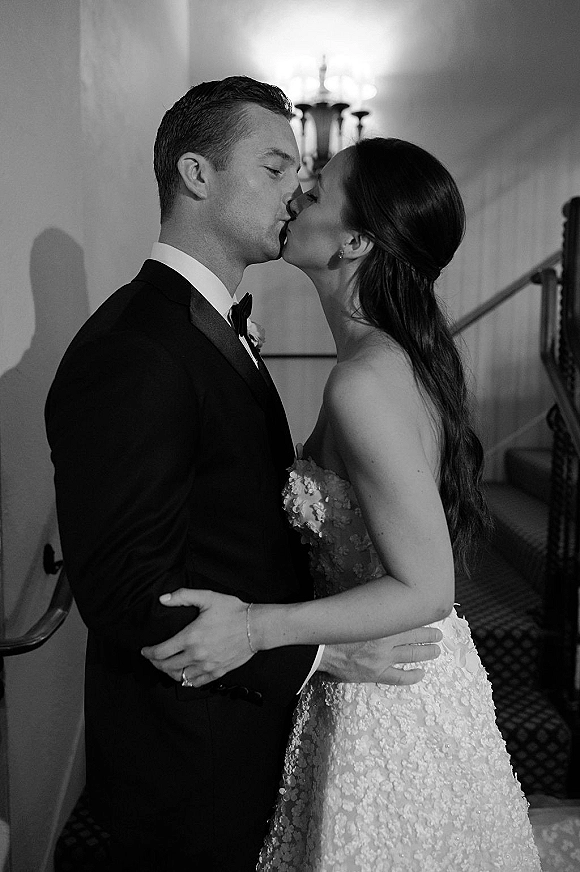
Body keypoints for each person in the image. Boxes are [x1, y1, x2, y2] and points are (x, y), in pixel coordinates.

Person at [45, 79, 442, 872]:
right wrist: (318, 655)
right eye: (274, 167)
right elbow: (126, 591)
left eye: (302, 174)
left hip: (246, 727)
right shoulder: (135, 348)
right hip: (189, 750)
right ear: (197, 175)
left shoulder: (209, 326)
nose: (296, 189)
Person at [143, 138, 542, 870]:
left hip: (391, 697)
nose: (297, 189)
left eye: (318, 186)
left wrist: (257, 627)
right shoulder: (380, 360)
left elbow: (427, 588)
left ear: (355, 241)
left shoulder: (365, 383)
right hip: (370, 673)